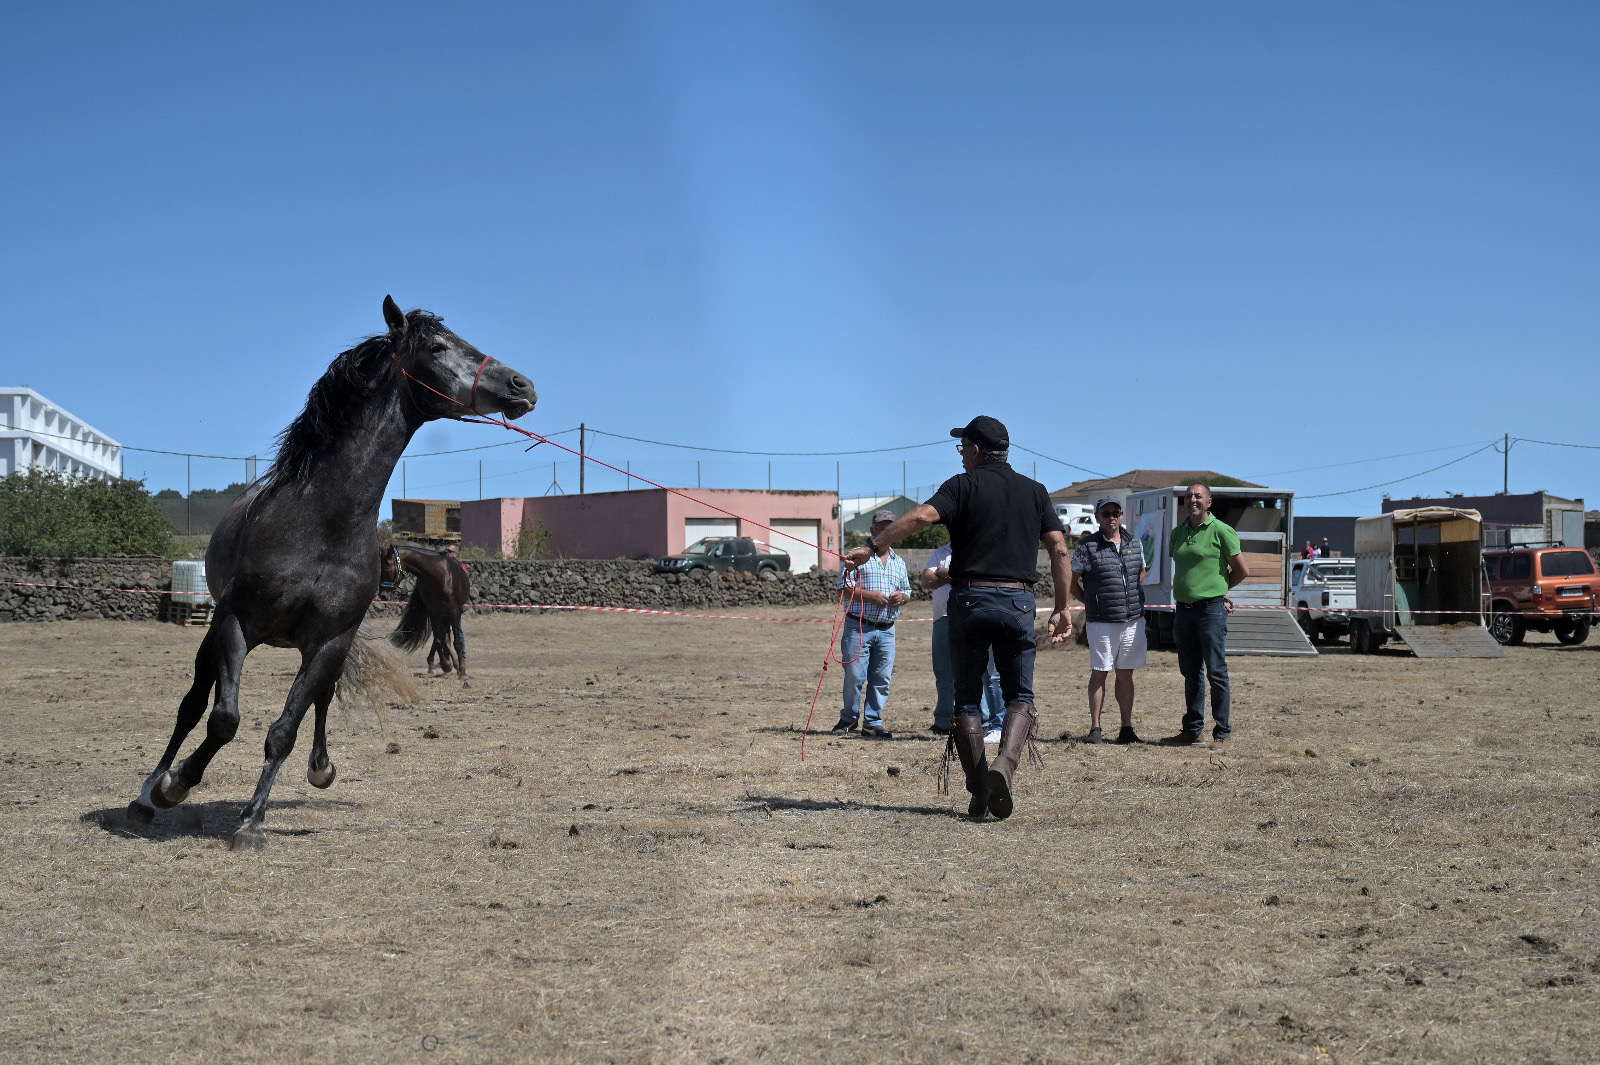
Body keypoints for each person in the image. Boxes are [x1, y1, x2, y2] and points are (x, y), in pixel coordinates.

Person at [843, 416, 1073, 820]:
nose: (961, 455)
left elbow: (920, 517)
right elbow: (1058, 548)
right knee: (1020, 696)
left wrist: (872, 545)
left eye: (962, 447)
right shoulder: (1035, 491)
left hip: (968, 601)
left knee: (966, 699)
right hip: (1018, 602)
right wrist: (1061, 606)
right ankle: (1005, 765)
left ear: (977, 451)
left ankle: (979, 787)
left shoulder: (961, 485)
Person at [1161, 483, 1249, 749]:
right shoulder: (1178, 533)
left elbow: (1241, 570)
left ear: (1209, 502)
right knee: (1191, 673)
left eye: (1198, 496)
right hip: (1184, 611)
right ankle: (1192, 730)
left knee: (1216, 672)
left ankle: (1223, 733)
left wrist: (1219, 591)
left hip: (1210, 612)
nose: (1192, 500)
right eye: (1188, 497)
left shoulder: (1222, 530)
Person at [1070, 498, 1147, 745]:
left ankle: (1126, 728)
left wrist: (1130, 596)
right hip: (1101, 622)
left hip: (1133, 620)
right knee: (1100, 673)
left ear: (1122, 515)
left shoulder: (1134, 542)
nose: (1111, 517)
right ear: (1097, 517)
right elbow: (1072, 582)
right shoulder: (1086, 546)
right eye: (1106, 513)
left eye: (1115, 512)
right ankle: (1096, 729)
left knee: (1126, 675)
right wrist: (1090, 602)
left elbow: (1141, 572)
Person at [831, 510, 911, 740]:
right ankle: (848, 718)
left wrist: (902, 597)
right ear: (873, 530)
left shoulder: (899, 562)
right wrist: (870, 596)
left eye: (890, 527)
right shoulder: (858, 556)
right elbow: (844, 588)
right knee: (855, 675)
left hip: (887, 629)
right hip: (859, 626)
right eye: (881, 526)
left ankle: (873, 722)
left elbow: (907, 590)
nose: (886, 531)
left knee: (881, 678)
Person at [922, 542, 1006, 741]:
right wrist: (952, 574)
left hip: (973, 615)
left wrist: (943, 572)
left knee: (984, 671)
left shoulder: (979, 545)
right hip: (943, 617)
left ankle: (984, 720)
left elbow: (973, 577)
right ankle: (943, 720)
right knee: (944, 672)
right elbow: (926, 580)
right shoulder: (940, 552)